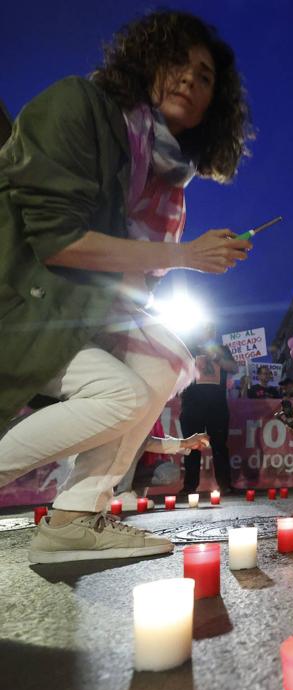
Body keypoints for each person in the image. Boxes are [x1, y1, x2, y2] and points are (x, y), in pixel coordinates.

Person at [0, 11, 253, 563]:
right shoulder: (81, 106)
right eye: (178, 63)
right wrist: (185, 255)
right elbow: (57, 241)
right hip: (24, 303)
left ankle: (73, 517)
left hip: (81, 309)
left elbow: (136, 275)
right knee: (124, 393)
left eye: (205, 76)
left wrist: (173, 261)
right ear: (146, 64)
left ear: (215, 104)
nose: (190, 78)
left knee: (161, 363)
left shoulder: (166, 176)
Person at [179, 324, 239, 495]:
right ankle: (189, 487)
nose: (207, 332)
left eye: (211, 329)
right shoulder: (187, 348)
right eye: (204, 328)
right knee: (191, 446)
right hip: (192, 404)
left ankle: (225, 485)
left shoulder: (222, 349)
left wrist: (216, 357)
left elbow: (234, 368)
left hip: (217, 405)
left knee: (220, 446)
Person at [115, 423, 210, 510]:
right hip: (113, 466)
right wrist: (185, 442)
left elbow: (155, 436)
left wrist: (187, 445)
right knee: (138, 436)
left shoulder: (151, 411)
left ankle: (132, 490)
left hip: (135, 465)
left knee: (169, 472)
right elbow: (142, 441)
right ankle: (121, 492)